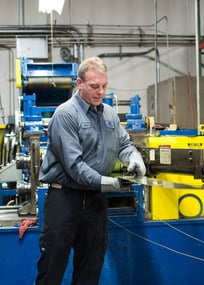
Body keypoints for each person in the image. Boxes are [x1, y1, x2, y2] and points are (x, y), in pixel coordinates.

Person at [35, 56, 146, 285]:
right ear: (79, 83)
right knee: (52, 267)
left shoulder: (110, 115)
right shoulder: (66, 114)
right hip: (65, 199)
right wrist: (110, 183)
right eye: (95, 86)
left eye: (104, 86)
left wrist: (134, 157)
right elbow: (75, 167)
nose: (100, 92)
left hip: (94, 202)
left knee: (90, 267)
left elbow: (123, 144)